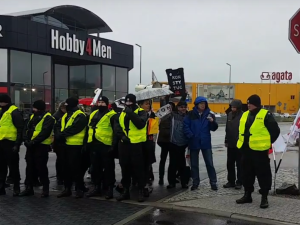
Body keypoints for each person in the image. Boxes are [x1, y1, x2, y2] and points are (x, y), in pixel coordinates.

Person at [235, 94, 280, 209]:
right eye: (248, 103)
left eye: (251, 103)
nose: (248, 105)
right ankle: (247, 195)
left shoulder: (266, 115)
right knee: (247, 174)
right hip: (246, 150)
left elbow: (275, 131)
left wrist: (267, 144)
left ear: (257, 104)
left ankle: (264, 197)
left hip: (260, 151)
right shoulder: (245, 114)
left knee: (263, 175)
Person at [115, 94, 148, 202]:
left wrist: (130, 113)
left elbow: (140, 124)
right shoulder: (121, 113)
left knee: (139, 169)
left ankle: (141, 190)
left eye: (130, 102)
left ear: (135, 102)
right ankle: (125, 191)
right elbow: (117, 126)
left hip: (137, 144)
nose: (128, 104)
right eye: (127, 102)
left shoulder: (141, 112)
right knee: (125, 168)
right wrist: (122, 136)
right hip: (124, 144)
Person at [20, 100, 55, 197]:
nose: (33, 109)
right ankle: (28, 188)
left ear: (38, 108)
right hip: (31, 146)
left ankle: (45, 189)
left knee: (41, 168)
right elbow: (25, 129)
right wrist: (26, 140)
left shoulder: (48, 118)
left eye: (34, 108)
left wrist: (33, 142)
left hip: (41, 146)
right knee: (29, 167)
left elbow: (45, 132)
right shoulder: (32, 117)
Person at [183, 96, 218, 191]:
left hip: (205, 142)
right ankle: (195, 182)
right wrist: (190, 135)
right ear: (197, 105)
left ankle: (213, 182)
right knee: (194, 164)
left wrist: (212, 122)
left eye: (204, 104)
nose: (203, 105)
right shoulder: (190, 114)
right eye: (201, 104)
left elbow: (214, 128)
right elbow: (185, 126)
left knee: (209, 163)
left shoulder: (210, 114)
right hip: (194, 142)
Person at [85, 96, 117, 199]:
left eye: (103, 102)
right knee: (95, 168)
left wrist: (113, 146)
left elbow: (116, 132)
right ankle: (97, 187)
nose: (100, 104)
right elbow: (89, 128)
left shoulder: (112, 115)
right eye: (99, 102)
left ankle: (110, 189)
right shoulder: (93, 113)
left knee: (108, 169)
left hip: (106, 145)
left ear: (107, 104)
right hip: (94, 144)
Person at [56, 97, 87, 199]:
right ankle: (67, 189)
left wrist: (61, 135)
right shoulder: (66, 115)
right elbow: (58, 125)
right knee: (65, 169)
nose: (65, 106)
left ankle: (79, 189)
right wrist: (59, 135)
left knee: (76, 169)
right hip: (65, 145)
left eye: (67, 104)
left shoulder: (80, 115)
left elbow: (74, 128)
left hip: (76, 146)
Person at [0, 94, 24, 196]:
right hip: (1, 142)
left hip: (11, 143)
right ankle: (1, 187)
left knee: (13, 167)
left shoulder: (14, 112)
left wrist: (17, 144)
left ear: (5, 102)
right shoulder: (1, 111)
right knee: (1, 167)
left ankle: (16, 187)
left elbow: (20, 128)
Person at [166, 101, 189, 189]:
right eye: (181, 107)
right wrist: (165, 99)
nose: (183, 108)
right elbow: (164, 113)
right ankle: (171, 182)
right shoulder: (173, 115)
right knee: (173, 164)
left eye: (184, 107)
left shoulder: (188, 116)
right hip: (173, 143)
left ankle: (184, 182)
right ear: (178, 108)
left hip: (184, 144)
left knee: (183, 164)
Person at [138, 99, 157, 197]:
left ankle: (145, 183)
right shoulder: (137, 114)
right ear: (140, 105)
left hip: (149, 142)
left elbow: (155, 129)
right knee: (140, 164)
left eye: (149, 103)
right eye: (146, 104)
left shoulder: (152, 114)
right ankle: (140, 184)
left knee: (147, 164)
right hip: (139, 142)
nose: (148, 105)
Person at [223, 99, 243, 189]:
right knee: (230, 163)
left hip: (239, 144)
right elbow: (227, 128)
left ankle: (239, 181)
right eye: (232, 107)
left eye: (234, 107)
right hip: (230, 143)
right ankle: (231, 181)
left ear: (238, 108)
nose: (232, 109)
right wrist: (226, 140)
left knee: (240, 164)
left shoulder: (243, 115)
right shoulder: (230, 115)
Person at [157, 101, 176, 185]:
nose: (170, 109)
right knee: (163, 160)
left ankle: (172, 178)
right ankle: (161, 178)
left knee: (172, 161)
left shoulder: (174, 116)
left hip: (171, 141)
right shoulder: (162, 116)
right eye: (168, 107)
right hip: (164, 141)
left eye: (171, 107)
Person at [52, 101, 66, 185]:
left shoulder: (57, 115)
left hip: (59, 142)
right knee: (61, 160)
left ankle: (61, 176)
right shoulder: (57, 116)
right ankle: (60, 177)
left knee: (61, 160)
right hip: (59, 142)